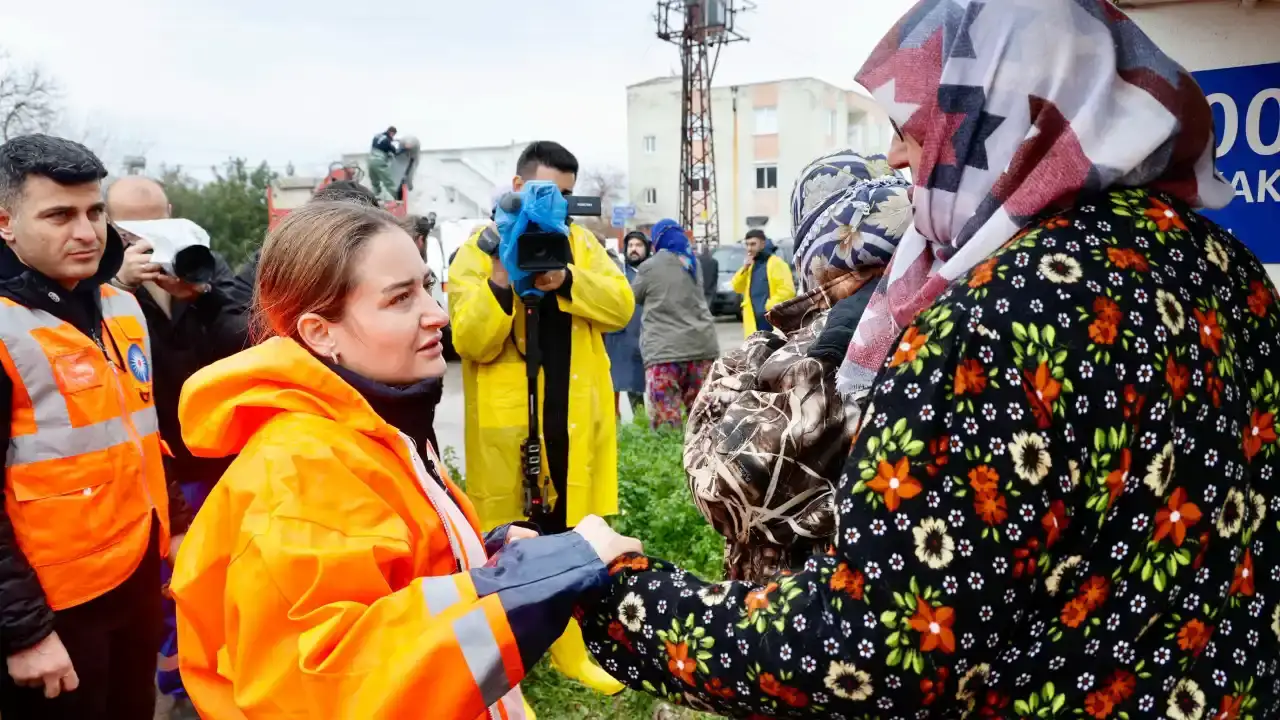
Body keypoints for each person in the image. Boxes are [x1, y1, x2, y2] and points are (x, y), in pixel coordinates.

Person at [583, 1, 1280, 716]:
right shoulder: (1226, 267)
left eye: (910, 126)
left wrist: (618, 594)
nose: (894, 156)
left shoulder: (987, 319)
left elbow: (872, 649)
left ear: (1001, 117)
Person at [169, 201, 643, 719]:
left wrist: (484, 557)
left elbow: (391, 584)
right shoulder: (300, 469)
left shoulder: (372, 427)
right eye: (399, 299)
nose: (436, 313)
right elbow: (333, 683)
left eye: (427, 286)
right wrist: (550, 571)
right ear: (320, 333)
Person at [0, 135, 187, 719]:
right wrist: (25, 634)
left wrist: (175, 525)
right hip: (53, 611)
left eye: (94, 212)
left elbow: (140, 433)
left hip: (132, 582)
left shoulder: (119, 305)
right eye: (59, 215)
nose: (86, 232)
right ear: (5, 223)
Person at [448, 140, 634, 694]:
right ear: (516, 186)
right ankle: (507, 657)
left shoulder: (579, 244)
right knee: (510, 544)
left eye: (566, 196)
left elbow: (621, 306)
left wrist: (567, 280)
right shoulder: (478, 250)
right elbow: (471, 341)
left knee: (578, 532)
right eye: (545, 192)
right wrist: (505, 276)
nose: (555, 206)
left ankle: (574, 651)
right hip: (511, 432)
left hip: (574, 422)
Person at [685, 151, 910, 581]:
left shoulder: (828, 344)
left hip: (804, 599)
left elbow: (724, 491)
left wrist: (742, 366)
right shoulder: (932, 304)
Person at [631, 219, 719, 428]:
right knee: (703, 419)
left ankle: (670, 459)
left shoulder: (649, 267)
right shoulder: (692, 262)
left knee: (666, 421)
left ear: (656, 240)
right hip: (702, 348)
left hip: (664, 353)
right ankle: (702, 460)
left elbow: (632, 296)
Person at [604, 230, 649, 417]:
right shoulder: (619, 272)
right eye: (630, 246)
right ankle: (617, 428)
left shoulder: (650, 271)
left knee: (640, 387)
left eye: (638, 245)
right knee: (616, 384)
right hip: (620, 339)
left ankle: (642, 426)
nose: (634, 250)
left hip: (645, 337)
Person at [733, 228, 795, 336]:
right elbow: (736, 287)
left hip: (770, 321)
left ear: (762, 244)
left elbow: (788, 291)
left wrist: (768, 307)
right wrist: (745, 268)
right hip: (753, 323)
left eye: (753, 244)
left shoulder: (776, 263)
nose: (749, 248)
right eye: (747, 245)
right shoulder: (750, 265)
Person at [368, 126, 401, 201]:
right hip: (379, 161)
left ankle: (374, 197)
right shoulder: (387, 140)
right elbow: (394, 151)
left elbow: (378, 145)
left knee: (374, 182)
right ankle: (398, 197)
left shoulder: (377, 136)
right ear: (391, 133)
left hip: (370, 160)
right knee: (388, 181)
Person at [699, 244, 719, 309]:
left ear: (701, 250)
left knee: (700, 306)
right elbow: (715, 276)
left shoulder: (697, 260)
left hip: (700, 287)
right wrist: (714, 287)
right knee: (707, 306)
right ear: (709, 251)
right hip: (710, 288)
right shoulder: (714, 261)